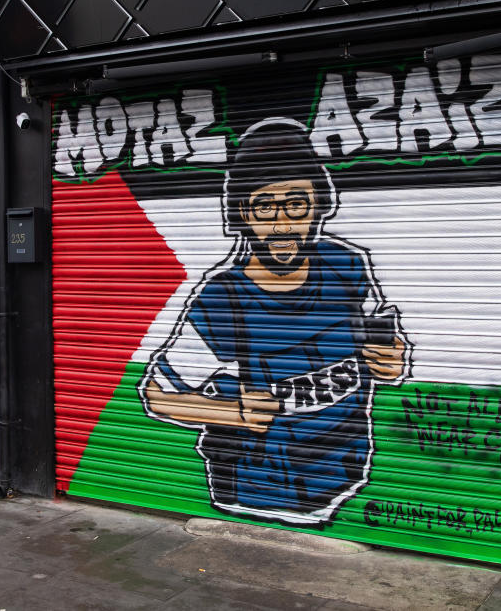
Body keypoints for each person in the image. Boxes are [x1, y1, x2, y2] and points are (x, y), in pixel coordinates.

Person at [140, 119, 412, 527]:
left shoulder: (347, 266)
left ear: (317, 205)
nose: (283, 225)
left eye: (296, 204)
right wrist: (233, 414)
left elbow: (381, 344)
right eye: (265, 206)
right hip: (258, 494)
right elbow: (156, 396)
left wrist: (392, 361)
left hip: (348, 481)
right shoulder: (223, 301)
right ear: (242, 214)